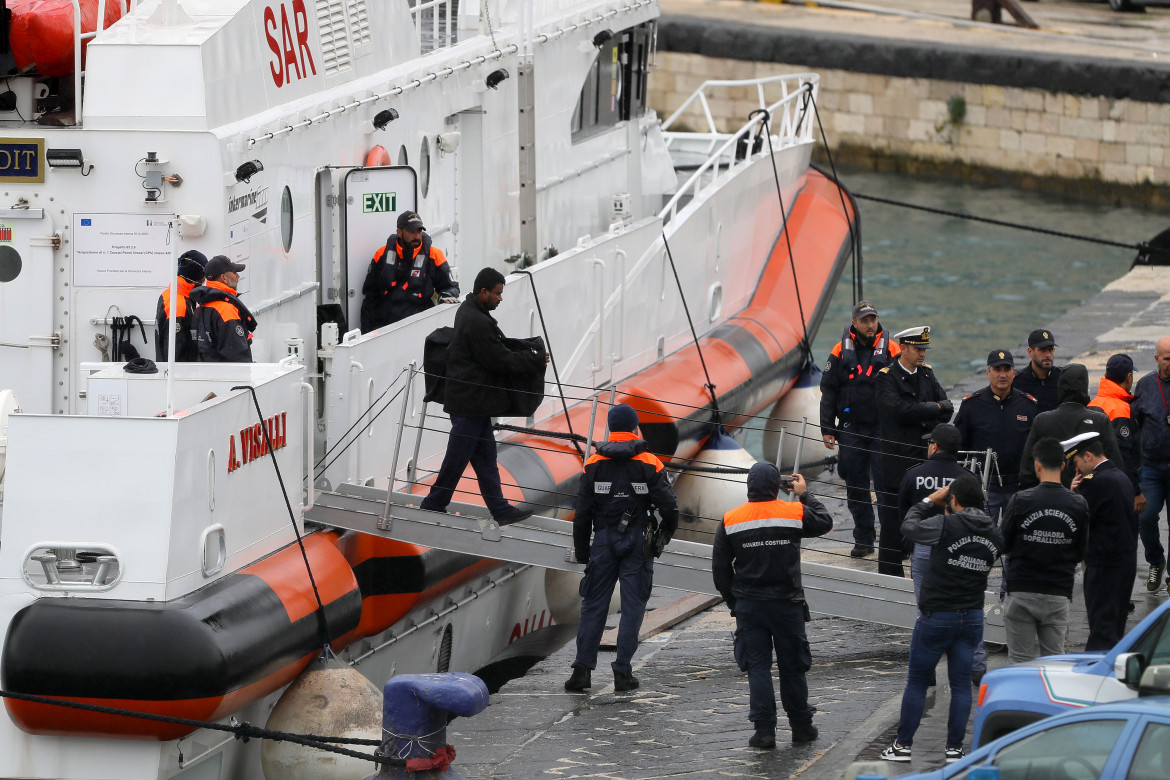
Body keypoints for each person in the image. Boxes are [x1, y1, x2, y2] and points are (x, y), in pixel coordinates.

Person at [882, 475, 1003, 766]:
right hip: (972, 615)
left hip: (938, 614)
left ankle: (903, 745)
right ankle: (954, 749)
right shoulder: (995, 533)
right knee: (961, 684)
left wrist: (927, 501)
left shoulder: (946, 524)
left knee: (917, 681)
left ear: (955, 501)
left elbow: (909, 528)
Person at [712, 462, 833, 749]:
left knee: (757, 667)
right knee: (792, 666)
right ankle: (802, 727)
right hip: (787, 604)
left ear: (749, 487)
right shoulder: (793, 512)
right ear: (776, 486)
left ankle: (764, 731)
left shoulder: (731, 519)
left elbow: (720, 570)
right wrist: (805, 495)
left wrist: (734, 601)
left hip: (750, 606)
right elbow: (825, 522)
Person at [565, 404, 679, 694]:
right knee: (633, 607)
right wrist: (666, 532)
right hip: (638, 541)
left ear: (610, 428)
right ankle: (622, 673)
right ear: (635, 427)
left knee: (593, 605)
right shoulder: (650, 462)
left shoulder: (592, 463)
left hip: (603, 540)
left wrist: (582, 551)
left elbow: (582, 514)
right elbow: (669, 505)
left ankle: (581, 671)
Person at [420, 267, 547, 522]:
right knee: (457, 460)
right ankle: (433, 503)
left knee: (486, 459)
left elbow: (494, 351)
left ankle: (499, 509)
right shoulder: (476, 321)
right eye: (498, 294)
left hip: (474, 404)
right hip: (469, 405)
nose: (501, 299)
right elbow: (499, 359)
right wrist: (533, 359)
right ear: (483, 292)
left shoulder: (470, 311)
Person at [820, 301, 901, 558]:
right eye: (864, 320)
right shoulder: (839, 350)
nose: (870, 325)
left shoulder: (892, 349)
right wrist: (827, 428)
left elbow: (905, 384)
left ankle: (893, 541)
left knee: (887, 486)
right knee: (856, 486)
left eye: (873, 319)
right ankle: (864, 539)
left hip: (882, 429)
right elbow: (828, 391)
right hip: (851, 428)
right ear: (854, 323)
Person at [1000, 437, 1088, 664]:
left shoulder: (1020, 500)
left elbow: (1004, 543)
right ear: (1062, 466)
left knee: (1020, 664)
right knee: (1054, 665)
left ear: (1037, 465)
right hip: (1057, 591)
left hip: (1021, 588)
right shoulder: (1077, 504)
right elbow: (1081, 551)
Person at [875, 326, 952, 576]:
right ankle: (889, 578)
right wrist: (932, 409)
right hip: (896, 461)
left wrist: (923, 411)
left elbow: (947, 409)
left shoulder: (927, 375)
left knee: (927, 516)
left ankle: (929, 572)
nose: (923, 354)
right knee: (891, 525)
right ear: (904, 348)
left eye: (924, 349)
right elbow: (897, 410)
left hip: (921, 460)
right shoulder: (886, 377)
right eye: (918, 349)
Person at [1065, 432, 1138, 651]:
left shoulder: (1099, 482)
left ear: (1088, 456)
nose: (1076, 470)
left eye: (1076, 463)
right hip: (1121, 564)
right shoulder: (1118, 476)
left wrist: (1072, 494)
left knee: (1102, 631)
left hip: (1104, 566)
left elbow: (1078, 519)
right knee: (1113, 628)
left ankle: (1096, 678)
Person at [953, 349, 1038, 523]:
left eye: (1007, 369)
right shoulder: (972, 405)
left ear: (1014, 373)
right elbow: (960, 446)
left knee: (1017, 538)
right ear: (988, 372)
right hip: (984, 486)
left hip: (1018, 485)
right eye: (997, 369)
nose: (1002, 375)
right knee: (982, 536)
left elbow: (1036, 445)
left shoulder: (1028, 405)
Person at [1018, 364, 1125, 490]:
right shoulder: (1100, 420)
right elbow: (1115, 466)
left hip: (1053, 497)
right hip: (1091, 497)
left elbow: (1028, 470)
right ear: (1085, 386)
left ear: (1060, 387)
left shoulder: (1042, 421)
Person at [359, 210, 459, 333]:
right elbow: (370, 297)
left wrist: (447, 296)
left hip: (419, 326)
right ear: (399, 232)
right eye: (411, 231)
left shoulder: (434, 255)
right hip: (385, 329)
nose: (416, 236)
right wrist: (367, 335)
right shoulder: (382, 254)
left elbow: (451, 287)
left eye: (419, 231)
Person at [1131, 337, 1170, 594]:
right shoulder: (1145, 385)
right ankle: (1156, 560)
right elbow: (1133, 426)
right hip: (1151, 467)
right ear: (1156, 359)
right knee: (1145, 517)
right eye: (1167, 358)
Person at [1089, 353, 1143, 511]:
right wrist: (1136, 491)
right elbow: (1124, 454)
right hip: (1118, 486)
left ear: (1106, 375)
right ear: (1129, 377)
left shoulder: (1092, 403)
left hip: (1092, 481)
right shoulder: (1121, 409)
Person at [191, 255, 257, 363]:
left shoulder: (200, 307)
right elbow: (237, 355)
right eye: (235, 273)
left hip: (206, 374)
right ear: (224, 278)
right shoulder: (226, 310)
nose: (238, 276)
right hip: (230, 376)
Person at [155, 249, 207, 362]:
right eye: (204, 276)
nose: (204, 280)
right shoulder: (178, 305)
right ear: (196, 275)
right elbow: (175, 353)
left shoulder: (170, 295)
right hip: (180, 375)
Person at [1013, 329, 1063, 414]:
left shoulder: (1063, 378)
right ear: (1030, 352)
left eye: (1050, 350)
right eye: (1042, 350)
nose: (1047, 354)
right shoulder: (1017, 382)